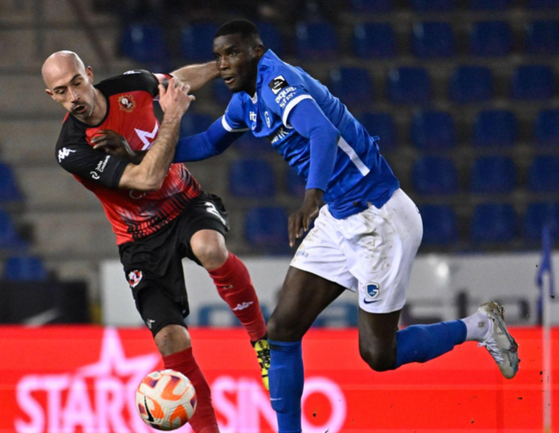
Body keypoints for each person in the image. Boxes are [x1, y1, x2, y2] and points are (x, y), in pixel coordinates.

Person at [156, 19, 519, 433]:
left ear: (257, 52)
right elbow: (207, 142)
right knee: (282, 329)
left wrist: (312, 195)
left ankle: (481, 326)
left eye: (233, 53)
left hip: (379, 218)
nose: (223, 64)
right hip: (340, 215)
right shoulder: (246, 99)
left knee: (379, 354)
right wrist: (144, 152)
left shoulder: (278, 83)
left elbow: (322, 134)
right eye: (219, 56)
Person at [42, 51, 269, 433]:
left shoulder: (128, 87)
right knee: (169, 340)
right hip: (140, 240)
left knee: (209, 249)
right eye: (61, 92)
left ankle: (262, 341)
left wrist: (223, 66)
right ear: (52, 96)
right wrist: (174, 115)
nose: (73, 97)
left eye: (77, 83)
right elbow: (146, 180)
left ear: (90, 75)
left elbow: (176, 81)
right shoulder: (72, 149)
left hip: (185, 204)